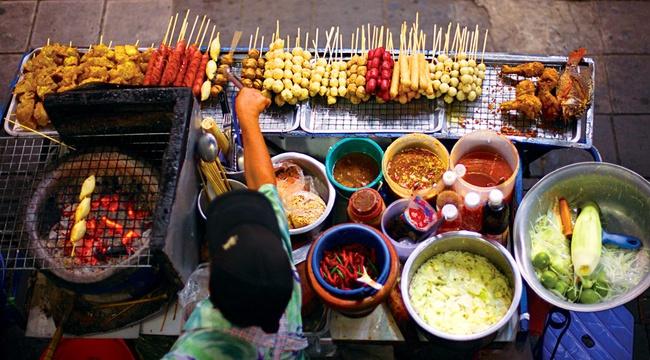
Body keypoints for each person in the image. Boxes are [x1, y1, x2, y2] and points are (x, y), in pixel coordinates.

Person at [164, 88, 307, 360]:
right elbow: (266, 186)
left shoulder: (196, 344)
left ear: (212, 291)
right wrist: (248, 117)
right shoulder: (284, 276)